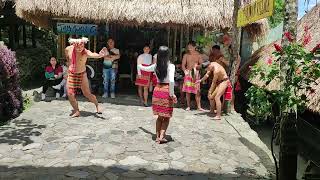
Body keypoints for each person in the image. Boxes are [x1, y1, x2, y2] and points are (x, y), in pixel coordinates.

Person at [137, 46, 177, 144]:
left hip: (157, 90)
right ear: (168, 55)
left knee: (159, 116)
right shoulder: (171, 66)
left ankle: (157, 136)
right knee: (166, 116)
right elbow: (171, 81)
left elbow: (142, 67)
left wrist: (138, 66)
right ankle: (162, 136)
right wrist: (172, 94)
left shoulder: (155, 66)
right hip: (166, 91)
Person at [65, 37, 104, 118]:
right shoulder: (68, 49)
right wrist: (68, 68)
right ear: (73, 45)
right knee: (70, 94)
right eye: (77, 46)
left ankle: (97, 105)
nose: (79, 48)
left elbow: (93, 54)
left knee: (87, 94)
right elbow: (68, 58)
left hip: (82, 74)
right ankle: (76, 111)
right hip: (71, 73)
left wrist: (100, 55)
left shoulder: (85, 52)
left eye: (81, 46)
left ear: (83, 45)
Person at [181, 41, 203, 111]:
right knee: (188, 91)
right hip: (188, 74)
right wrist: (185, 71)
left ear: (194, 47)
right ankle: (188, 106)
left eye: (191, 47)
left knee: (197, 91)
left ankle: (199, 106)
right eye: (188, 47)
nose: (189, 48)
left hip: (196, 74)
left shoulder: (198, 55)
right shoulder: (186, 55)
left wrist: (197, 67)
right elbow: (183, 65)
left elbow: (202, 65)